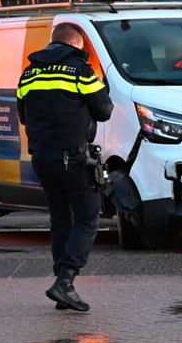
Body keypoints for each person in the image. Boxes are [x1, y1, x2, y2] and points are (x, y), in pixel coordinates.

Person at [17, 22, 113, 312]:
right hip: (74, 157)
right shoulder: (82, 71)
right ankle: (66, 281)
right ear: (75, 45)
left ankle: (63, 287)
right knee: (87, 218)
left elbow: (23, 115)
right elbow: (105, 111)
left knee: (60, 221)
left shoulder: (28, 73)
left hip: (42, 157)